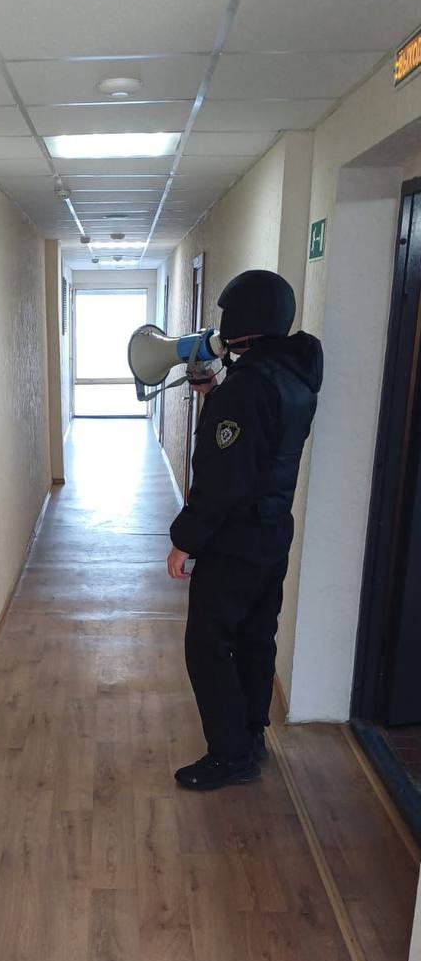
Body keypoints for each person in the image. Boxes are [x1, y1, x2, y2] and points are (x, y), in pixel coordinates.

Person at [167, 269, 323, 791]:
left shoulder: (249, 385)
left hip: (234, 541)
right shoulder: (294, 375)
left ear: (242, 320)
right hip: (272, 531)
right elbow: (257, 444)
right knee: (256, 637)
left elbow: (223, 477)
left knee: (207, 645)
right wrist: (215, 394)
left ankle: (230, 756)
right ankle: (251, 736)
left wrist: (185, 540)